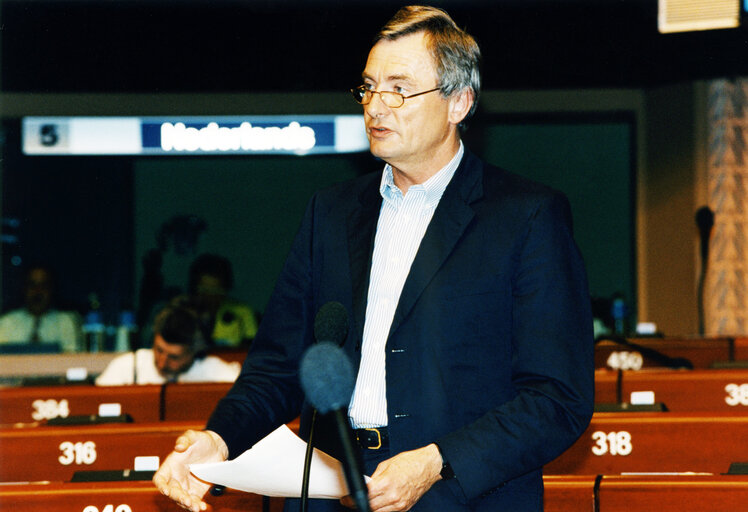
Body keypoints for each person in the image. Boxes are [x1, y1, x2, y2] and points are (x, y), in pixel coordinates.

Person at [153, 6, 594, 512]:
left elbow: (558, 398)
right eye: (368, 88)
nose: (376, 107)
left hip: (458, 494)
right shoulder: (332, 213)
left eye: (399, 89)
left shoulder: (525, 216)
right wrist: (219, 440)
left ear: (459, 103)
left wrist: (436, 461)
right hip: (328, 490)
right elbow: (278, 366)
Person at [95, 302, 240, 385]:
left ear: (194, 353)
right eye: (158, 350)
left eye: (174, 357)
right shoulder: (126, 367)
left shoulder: (219, 374)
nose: (162, 363)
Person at [0, 264, 82, 353]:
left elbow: (72, 359)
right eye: (32, 285)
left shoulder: (64, 322)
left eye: (44, 285)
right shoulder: (7, 322)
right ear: (24, 289)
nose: (38, 291)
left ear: (52, 289)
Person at [186, 253, 258, 347]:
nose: (210, 296)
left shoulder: (243, 312)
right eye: (205, 290)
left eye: (216, 291)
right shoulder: (184, 312)